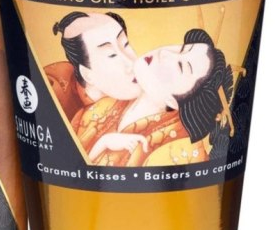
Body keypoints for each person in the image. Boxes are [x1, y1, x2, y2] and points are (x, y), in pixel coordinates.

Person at [88, 28, 234, 166]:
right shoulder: (110, 103)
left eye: (181, 66)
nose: (165, 53)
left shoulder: (178, 150)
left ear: (175, 102)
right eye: (182, 48)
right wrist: (104, 142)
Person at [45, 11, 141, 152]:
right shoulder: (54, 91)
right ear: (87, 74)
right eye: (111, 55)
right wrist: (103, 143)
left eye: (126, 45)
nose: (131, 63)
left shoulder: (148, 89)